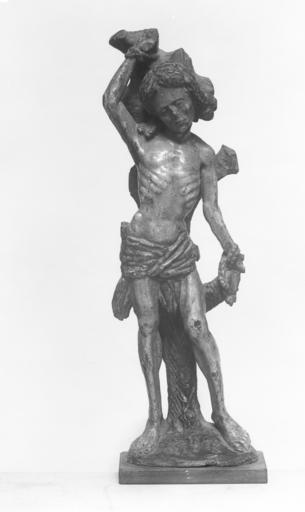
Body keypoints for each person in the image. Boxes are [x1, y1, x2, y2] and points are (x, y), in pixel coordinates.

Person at [103, 40, 250, 455]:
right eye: (166, 111)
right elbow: (111, 101)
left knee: (197, 326)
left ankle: (221, 413)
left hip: (180, 252)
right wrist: (132, 57)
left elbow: (211, 210)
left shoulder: (202, 154)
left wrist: (229, 246)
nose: (177, 115)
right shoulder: (143, 145)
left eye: (182, 106)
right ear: (154, 113)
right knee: (148, 327)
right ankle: (155, 421)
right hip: (141, 250)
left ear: (193, 101)